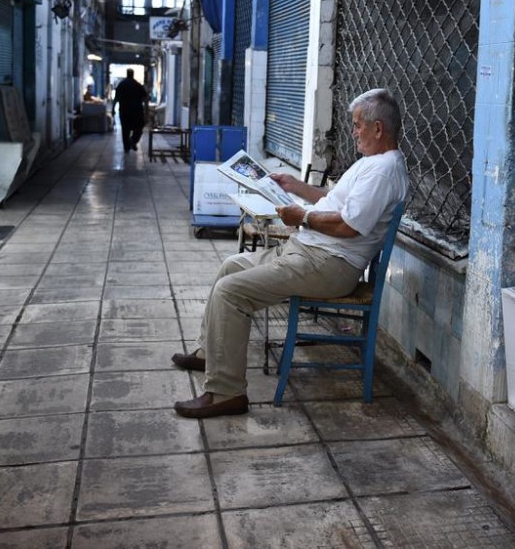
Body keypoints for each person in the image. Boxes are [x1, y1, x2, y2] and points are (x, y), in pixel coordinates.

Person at [172, 88, 410, 419]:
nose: (354, 132)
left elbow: (348, 227)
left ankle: (227, 392)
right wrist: (294, 186)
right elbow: (335, 200)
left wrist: (303, 217)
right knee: (231, 266)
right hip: (310, 252)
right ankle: (209, 352)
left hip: (329, 265)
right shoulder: (372, 164)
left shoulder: (384, 170)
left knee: (231, 292)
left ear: (378, 128)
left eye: (357, 125)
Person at [112, 69, 148, 152]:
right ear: (133, 74)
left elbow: (116, 99)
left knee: (125, 130)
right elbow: (145, 99)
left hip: (124, 111)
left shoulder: (121, 85)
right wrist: (146, 111)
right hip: (137, 111)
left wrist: (113, 109)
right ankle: (133, 141)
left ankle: (126, 147)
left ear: (127, 74)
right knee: (139, 127)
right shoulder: (138, 85)